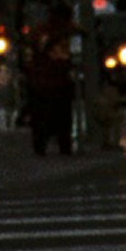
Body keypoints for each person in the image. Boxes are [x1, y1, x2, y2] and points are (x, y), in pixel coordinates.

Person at [24, 9, 75, 155]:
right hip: (54, 82)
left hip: (41, 82)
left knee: (42, 119)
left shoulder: (40, 31)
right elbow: (60, 57)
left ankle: (43, 146)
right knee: (60, 119)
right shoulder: (55, 33)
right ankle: (62, 146)